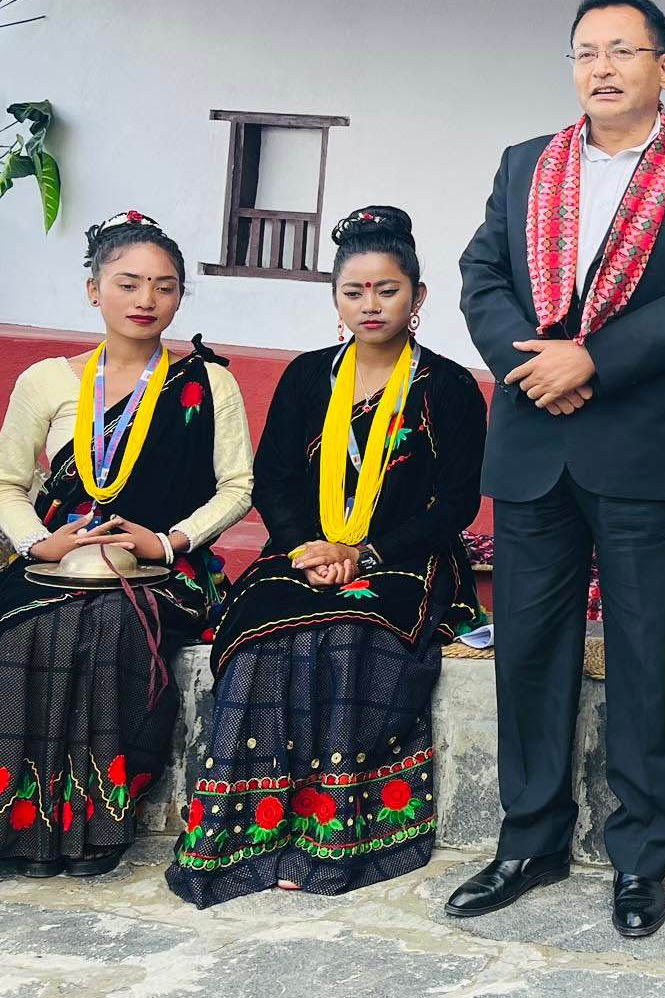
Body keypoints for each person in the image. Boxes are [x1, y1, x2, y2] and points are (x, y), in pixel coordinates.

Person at [453, 0, 665, 937]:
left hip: (639, 448)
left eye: (623, 50)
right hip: (533, 439)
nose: (603, 68)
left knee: (647, 656)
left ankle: (642, 856)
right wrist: (532, 365)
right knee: (527, 652)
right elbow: (480, 276)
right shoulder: (525, 165)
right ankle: (529, 841)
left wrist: (592, 361)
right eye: (587, 51)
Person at [166, 207, 485, 906]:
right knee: (263, 636)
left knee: (349, 633)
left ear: (418, 296)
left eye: (388, 290)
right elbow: (274, 479)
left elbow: (455, 504)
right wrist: (309, 548)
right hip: (303, 550)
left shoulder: (449, 386)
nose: (371, 305)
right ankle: (248, 831)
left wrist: (363, 552)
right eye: (354, 291)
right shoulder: (308, 376)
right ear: (335, 298)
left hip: (404, 557)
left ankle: (333, 834)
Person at [0, 212, 253, 877]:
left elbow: (238, 486)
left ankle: (98, 824)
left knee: (112, 621)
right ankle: (19, 825)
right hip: (53, 563)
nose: (146, 299)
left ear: (180, 296)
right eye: (128, 283)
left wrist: (166, 540)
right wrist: (39, 543)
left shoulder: (207, 383)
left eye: (164, 286)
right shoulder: (47, 381)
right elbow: (4, 481)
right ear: (93, 290)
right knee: (31, 628)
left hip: (167, 567)